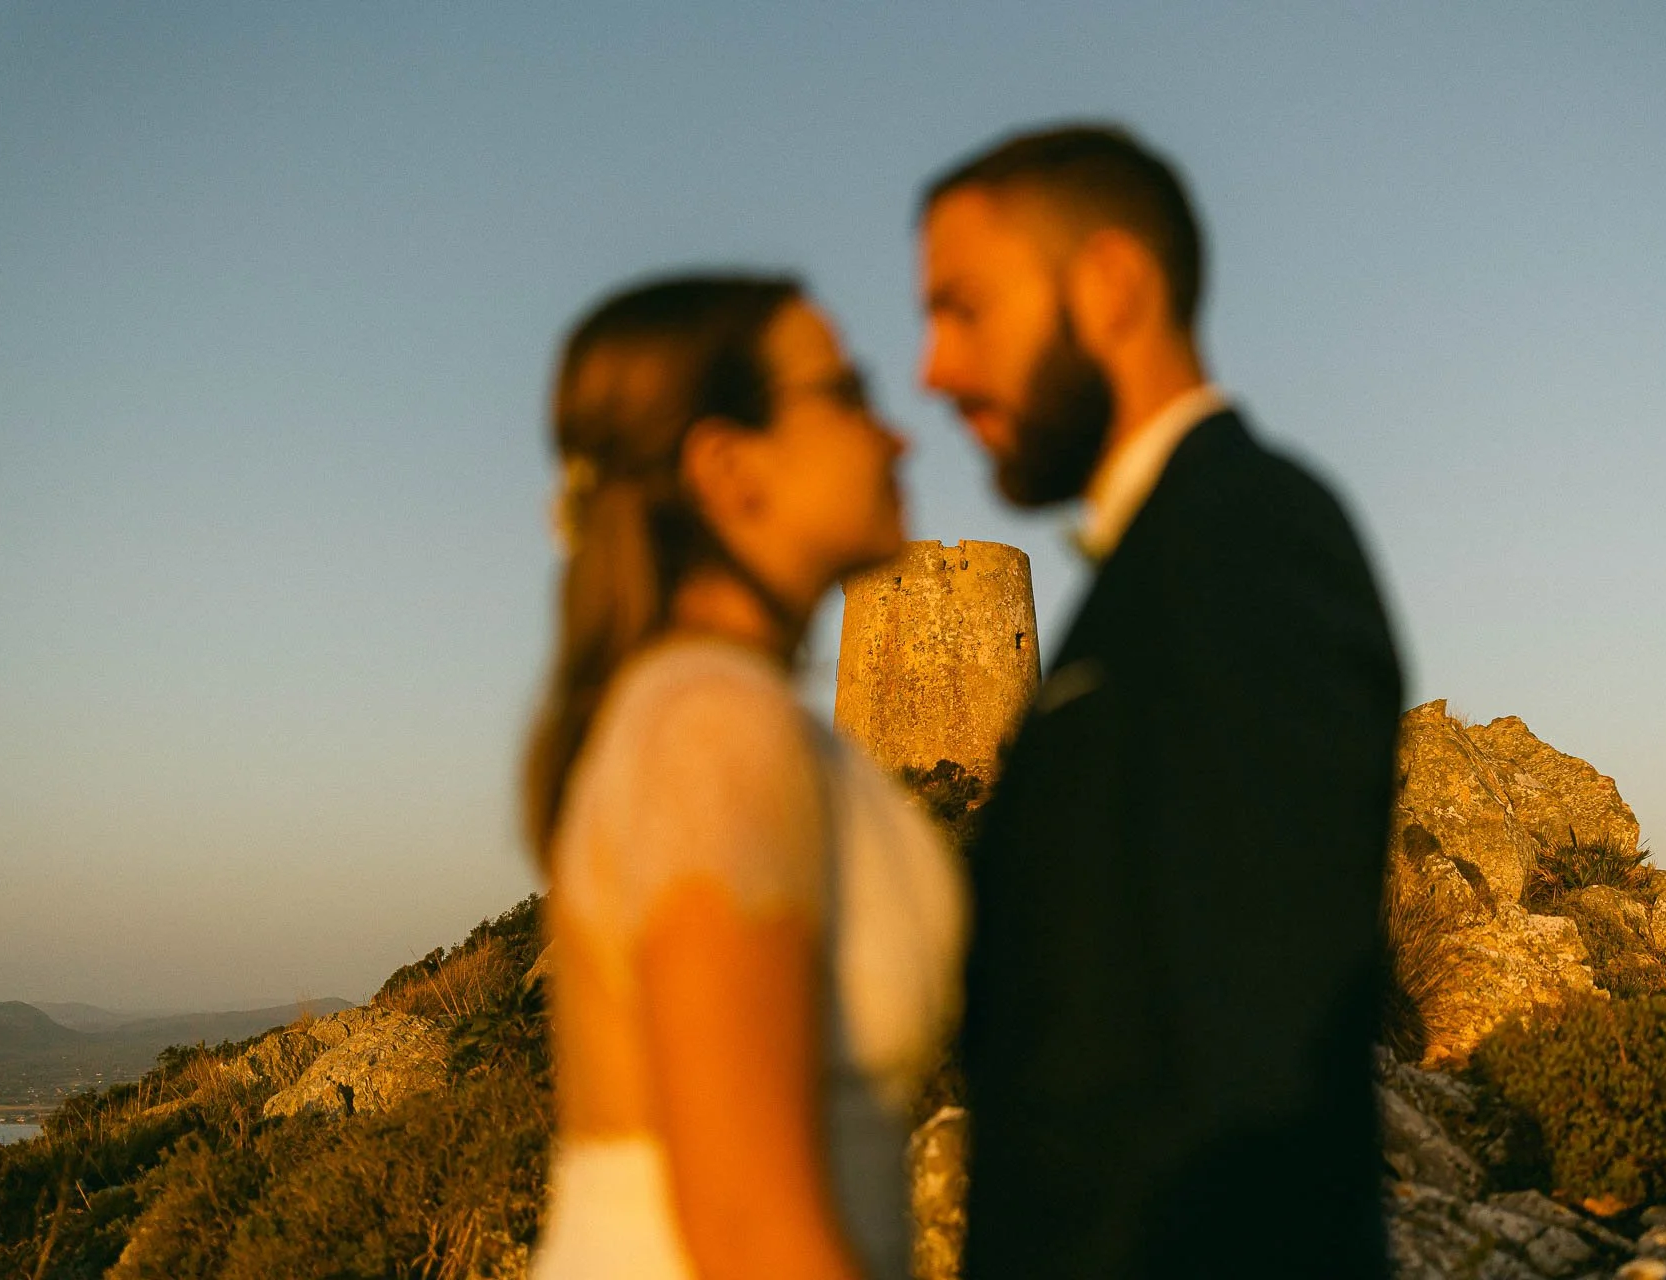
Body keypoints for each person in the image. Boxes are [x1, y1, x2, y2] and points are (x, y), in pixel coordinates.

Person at [917, 125, 1404, 1278]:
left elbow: (1252, 1068)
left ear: (1111, 286)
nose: (934, 367)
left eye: (964, 309)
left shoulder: (1250, 539)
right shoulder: (1167, 563)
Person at [524, 275, 967, 1280]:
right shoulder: (713, 728)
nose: (899, 435)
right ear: (728, 465)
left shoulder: (713, 711)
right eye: (848, 395)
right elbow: (746, 1231)